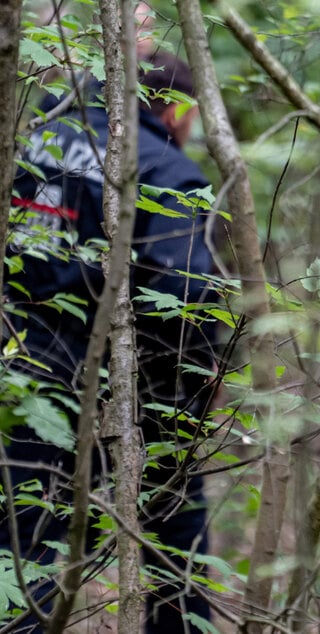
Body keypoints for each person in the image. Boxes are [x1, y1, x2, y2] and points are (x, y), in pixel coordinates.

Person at [2, 50, 218, 632]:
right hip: (127, 393)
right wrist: (185, 408)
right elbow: (187, 297)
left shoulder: (37, 140)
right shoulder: (165, 171)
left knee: (22, 554)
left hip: (20, 381)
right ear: (174, 108)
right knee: (177, 551)